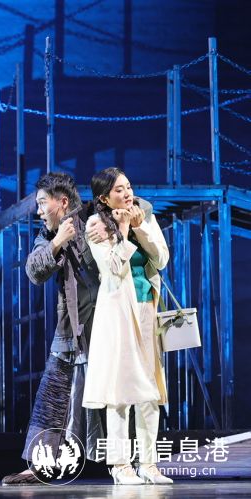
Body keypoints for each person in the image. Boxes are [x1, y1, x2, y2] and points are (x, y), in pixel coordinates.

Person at [2, 172, 105, 485]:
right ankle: (41, 464)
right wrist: (58, 241)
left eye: (42, 203)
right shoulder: (47, 236)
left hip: (109, 328)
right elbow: (33, 271)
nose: (38, 211)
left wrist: (117, 223)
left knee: (120, 398)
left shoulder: (96, 217)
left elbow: (138, 206)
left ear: (62, 202)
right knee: (52, 399)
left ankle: (135, 462)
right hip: (70, 333)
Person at [82, 167, 172, 485]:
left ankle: (149, 464)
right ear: (104, 198)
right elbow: (112, 268)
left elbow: (161, 259)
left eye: (129, 187)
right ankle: (120, 465)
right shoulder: (95, 225)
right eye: (119, 190)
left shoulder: (143, 216)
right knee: (119, 392)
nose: (127, 193)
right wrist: (120, 229)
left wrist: (139, 228)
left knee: (150, 390)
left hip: (147, 308)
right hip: (118, 313)